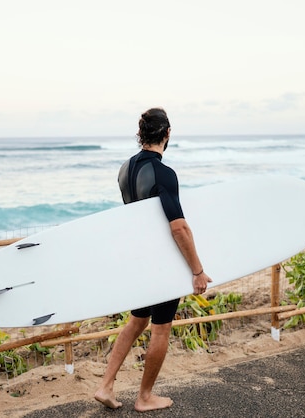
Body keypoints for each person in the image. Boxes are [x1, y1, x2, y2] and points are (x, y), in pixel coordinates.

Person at [94, 108, 213, 412]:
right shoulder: (164, 173)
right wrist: (197, 270)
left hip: (139, 260)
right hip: (161, 263)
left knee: (136, 321)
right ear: (167, 133)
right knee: (160, 328)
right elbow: (178, 226)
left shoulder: (125, 170)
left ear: (141, 133)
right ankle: (145, 397)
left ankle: (106, 386)